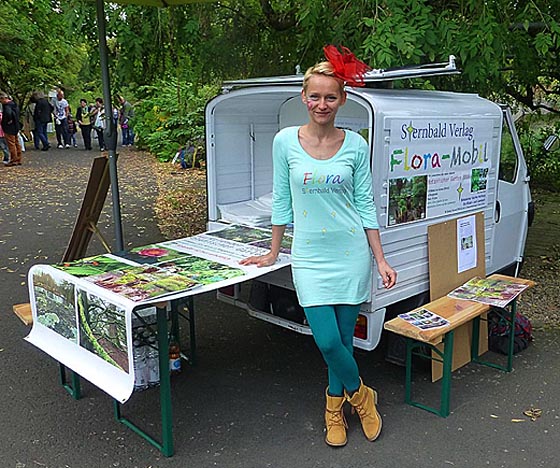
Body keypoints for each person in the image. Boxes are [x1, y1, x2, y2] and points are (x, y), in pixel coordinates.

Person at [240, 45, 397, 447]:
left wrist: (380, 259)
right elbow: (281, 200)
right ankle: (364, 398)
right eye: (315, 96)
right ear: (303, 97)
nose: (322, 104)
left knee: (342, 342)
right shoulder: (284, 142)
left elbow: (365, 204)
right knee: (325, 340)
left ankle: (334, 411)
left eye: (331, 96)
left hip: (351, 255)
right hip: (309, 257)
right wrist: (274, 252)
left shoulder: (356, 146)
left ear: (343, 99)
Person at [0, 91, 23, 166]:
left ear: (3, 99)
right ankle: (18, 158)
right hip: (16, 126)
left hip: (9, 127)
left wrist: (8, 121)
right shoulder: (14, 104)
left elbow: (8, 113)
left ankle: (14, 159)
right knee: (16, 143)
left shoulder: (7, 106)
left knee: (11, 144)